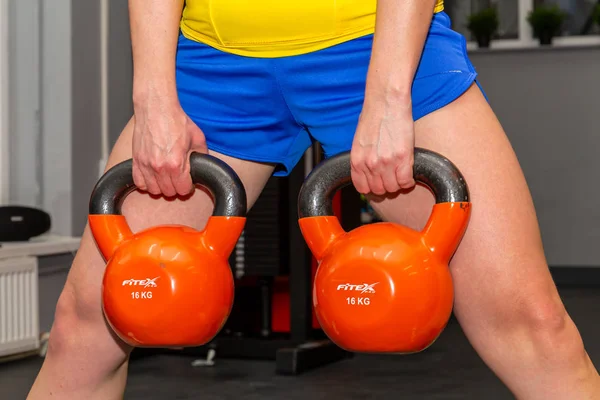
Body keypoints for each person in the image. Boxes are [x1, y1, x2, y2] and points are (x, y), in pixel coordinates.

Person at [27, 0, 600, 399]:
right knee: (87, 326)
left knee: (532, 326)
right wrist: (152, 94)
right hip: (211, 58)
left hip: (376, 45)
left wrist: (388, 93)